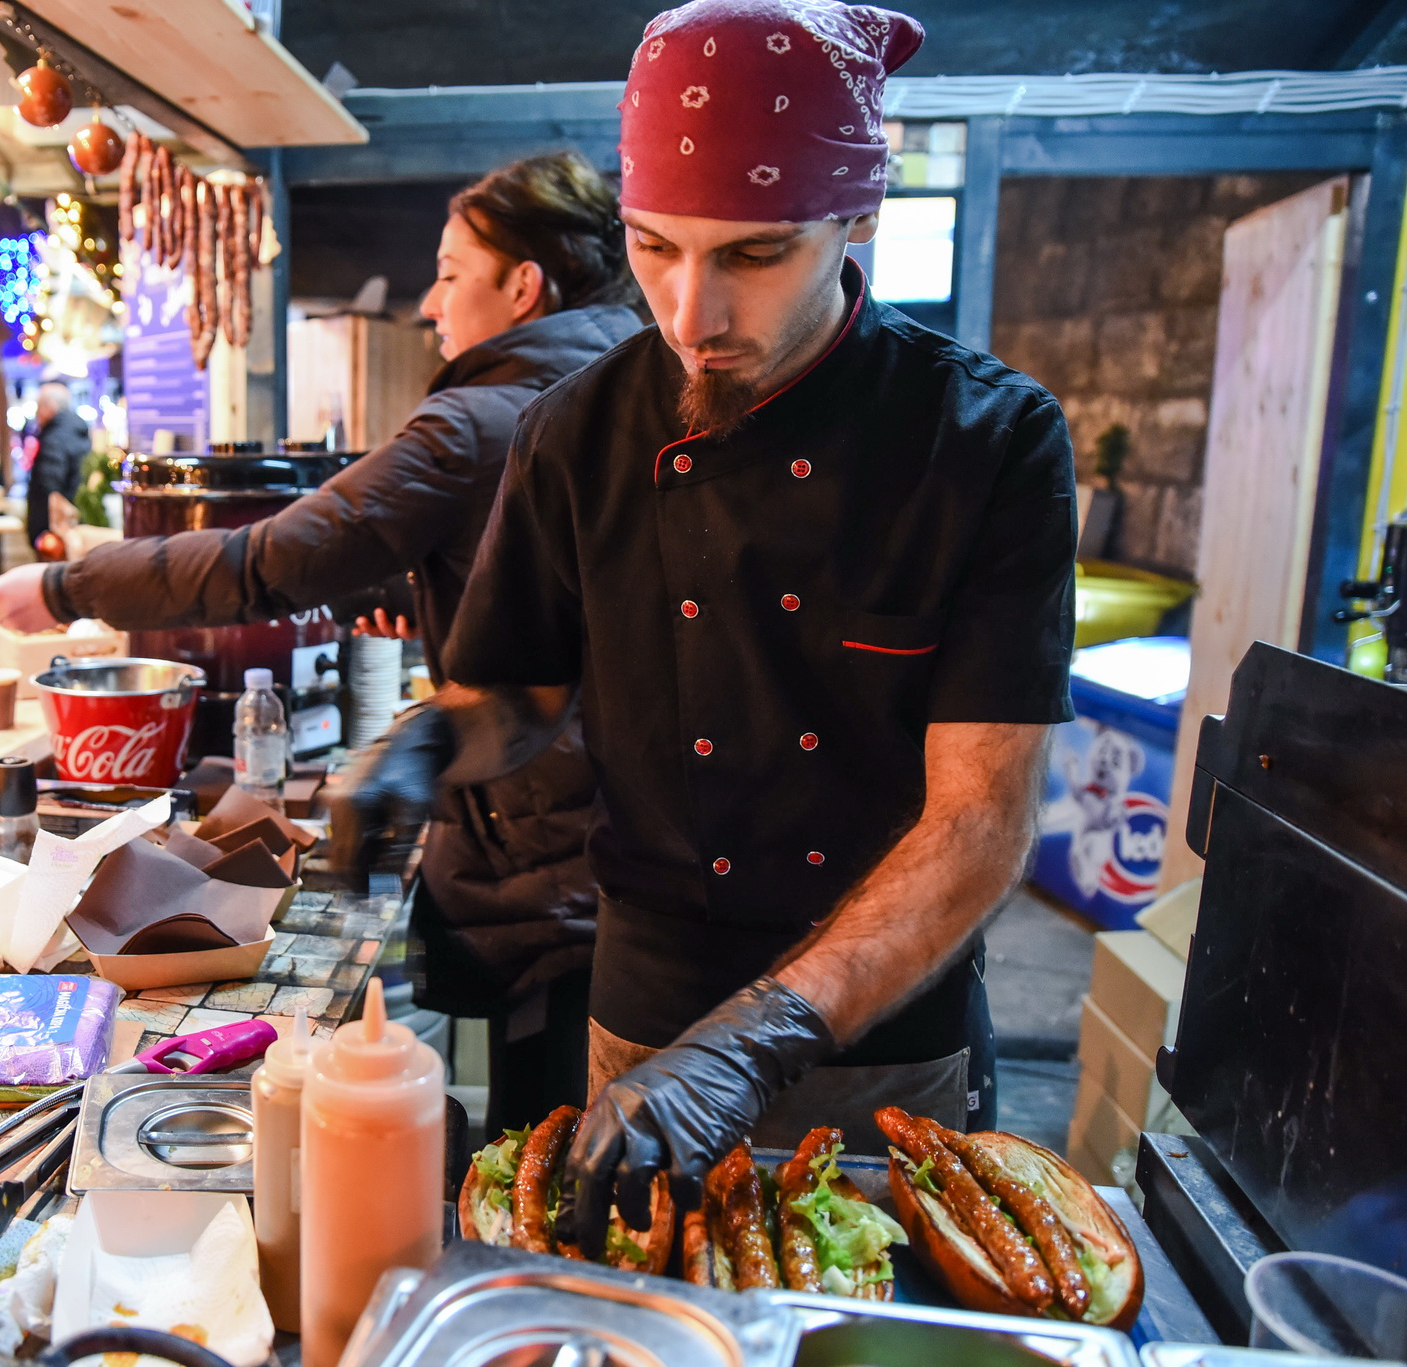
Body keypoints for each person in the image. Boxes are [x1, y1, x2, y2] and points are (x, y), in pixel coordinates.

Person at [336, 0, 1078, 1256]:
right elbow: (515, 692)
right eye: (653, 244)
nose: (688, 311)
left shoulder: (985, 443)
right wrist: (417, 748)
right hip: (640, 1007)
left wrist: (758, 1035)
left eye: (752, 254)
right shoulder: (573, 431)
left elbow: (977, 824)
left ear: (858, 223)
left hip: (875, 1040)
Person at [0, 152, 645, 1132]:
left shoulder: (476, 419)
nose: (428, 302)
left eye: (452, 271)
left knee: (541, 1146)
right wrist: (443, 610)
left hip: (544, 846)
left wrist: (64, 584)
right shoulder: (630, 388)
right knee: (579, 1143)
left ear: (523, 284)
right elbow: (582, 614)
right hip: (633, 852)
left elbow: (267, 561)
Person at [25, 381, 90, 541]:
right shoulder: (78, 431)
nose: (37, 413)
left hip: (55, 529)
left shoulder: (54, 438)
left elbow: (48, 486)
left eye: (39, 406)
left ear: (50, 406)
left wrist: (40, 529)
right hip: (76, 520)